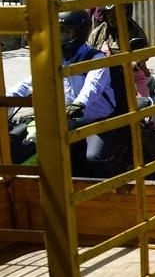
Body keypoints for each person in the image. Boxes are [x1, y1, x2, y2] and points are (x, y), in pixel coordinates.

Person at [8, 10, 128, 176]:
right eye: (57, 32)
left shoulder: (95, 58)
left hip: (97, 120)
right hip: (62, 119)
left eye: (65, 33)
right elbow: (27, 84)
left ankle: (112, 195)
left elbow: (93, 87)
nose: (60, 38)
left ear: (80, 33)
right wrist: (6, 98)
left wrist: (78, 104)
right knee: (16, 140)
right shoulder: (55, 60)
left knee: (94, 158)